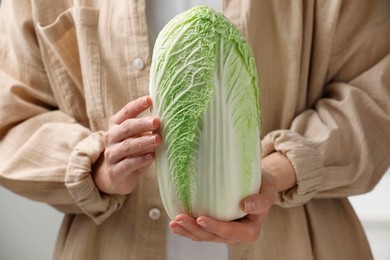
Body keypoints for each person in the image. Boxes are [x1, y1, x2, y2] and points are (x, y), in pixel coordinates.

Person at [0, 0, 389, 259]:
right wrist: (98, 167)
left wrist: (277, 171)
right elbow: (13, 115)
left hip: (295, 243)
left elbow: (376, 92)